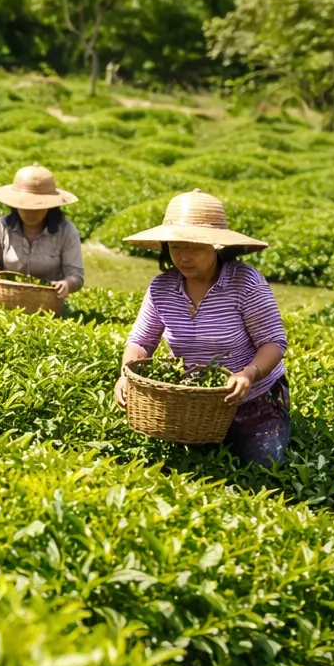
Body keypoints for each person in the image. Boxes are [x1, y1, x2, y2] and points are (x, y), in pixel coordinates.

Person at [113, 189, 290, 466]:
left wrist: (248, 374)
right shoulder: (162, 287)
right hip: (193, 401)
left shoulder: (245, 282)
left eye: (194, 247)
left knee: (263, 467)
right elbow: (141, 342)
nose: (183, 256)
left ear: (216, 246)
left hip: (254, 399)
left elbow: (274, 343)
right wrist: (126, 375)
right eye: (176, 247)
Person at [0, 165, 84, 301]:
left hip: (49, 305)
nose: (30, 213)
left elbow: (76, 276)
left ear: (50, 207)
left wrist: (67, 284)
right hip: (5, 301)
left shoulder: (66, 231)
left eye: (37, 207)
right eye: (25, 207)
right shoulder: (1, 226)